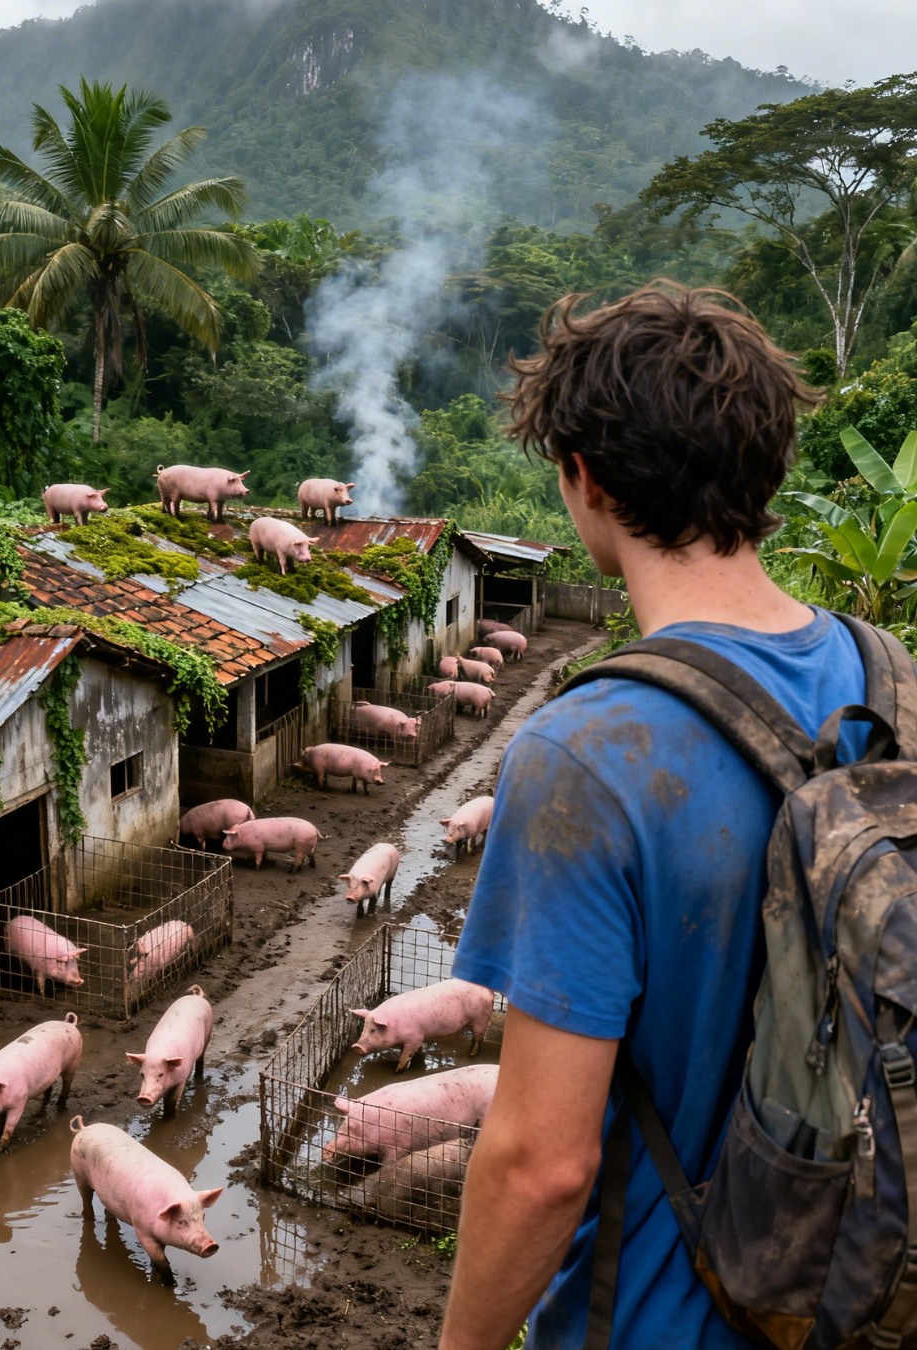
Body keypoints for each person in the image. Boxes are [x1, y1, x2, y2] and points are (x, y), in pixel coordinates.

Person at [437, 281, 871, 1350]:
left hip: (667, 1317)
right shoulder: (893, 681)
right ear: (770, 465)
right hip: (865, 1283)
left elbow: (544, 1164)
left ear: (583, 479)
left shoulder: (588, 752)